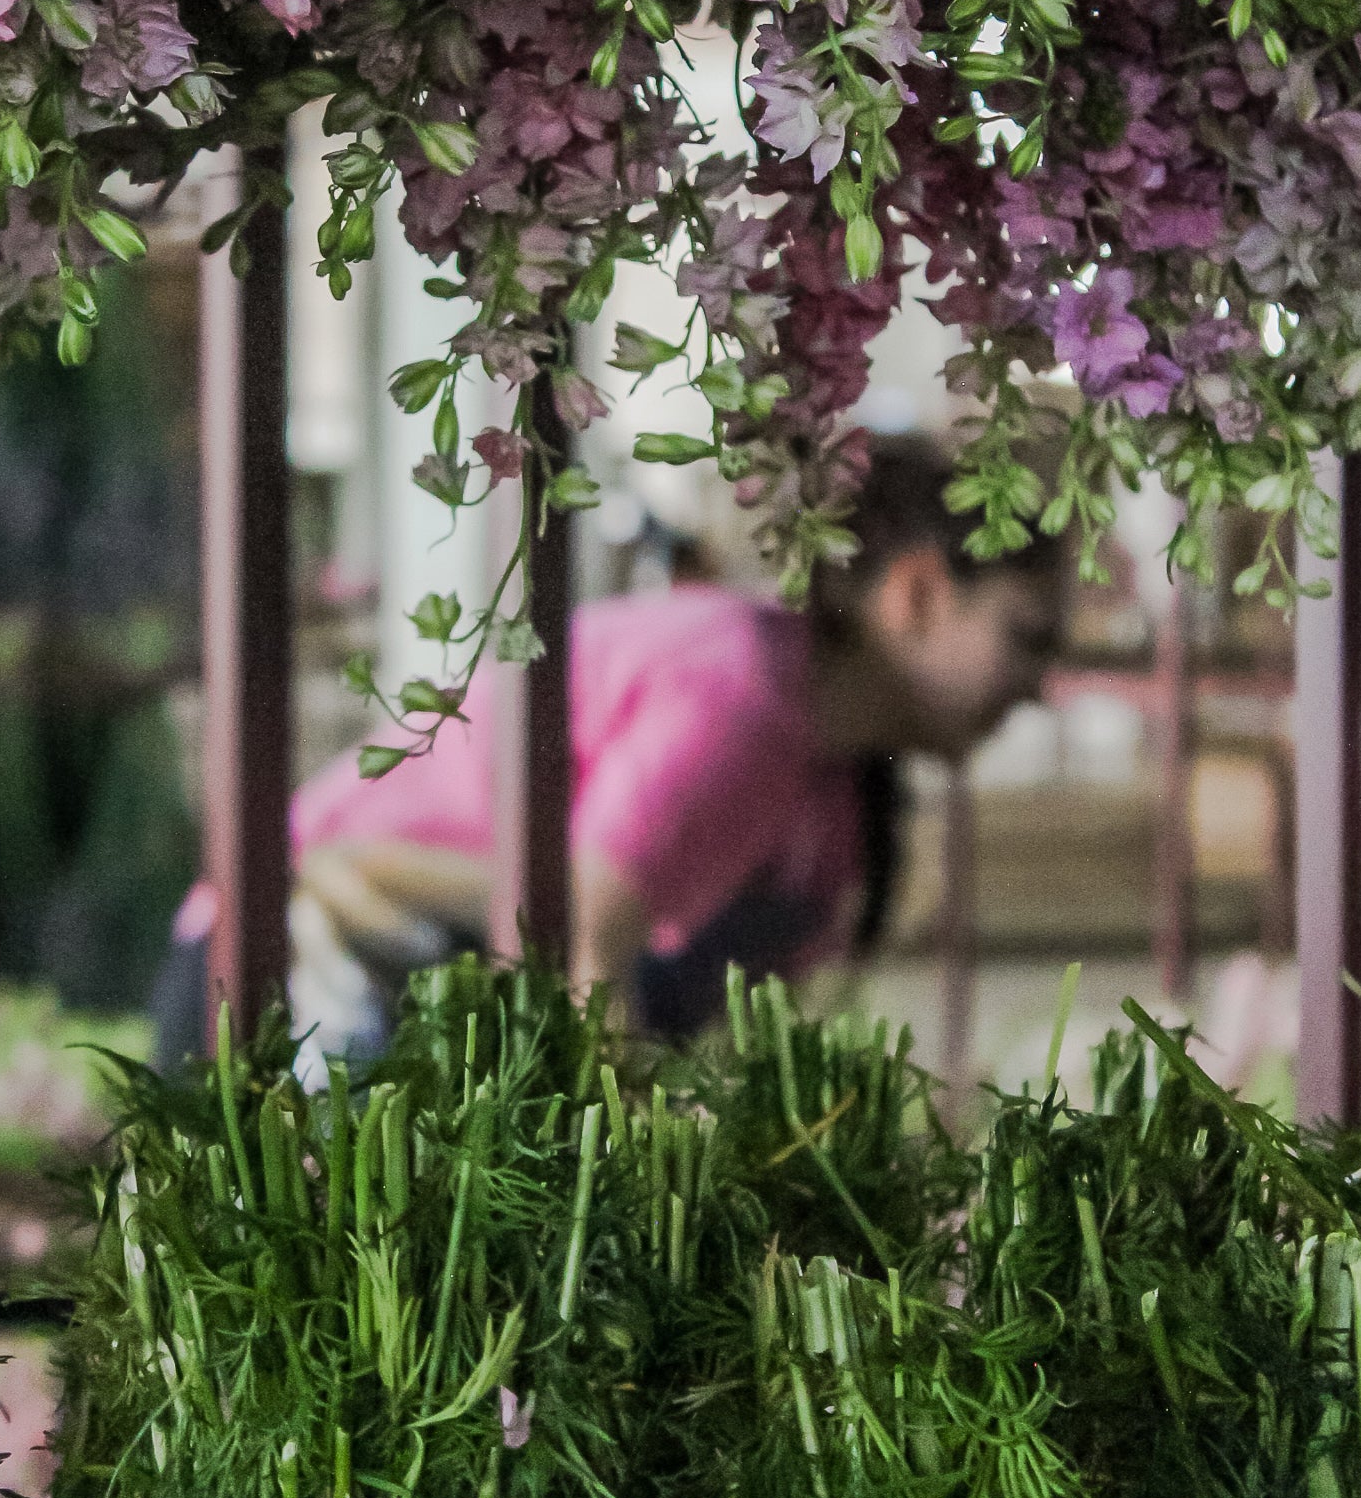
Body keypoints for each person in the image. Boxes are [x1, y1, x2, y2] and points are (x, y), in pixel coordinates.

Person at [152, 432, 1065, 1072]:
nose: (1037, 687)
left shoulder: (830, 788)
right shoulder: (741, 697)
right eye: (1024, 638)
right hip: (283, 982)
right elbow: (586, 937)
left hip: (419, 1014)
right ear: (917, 595)